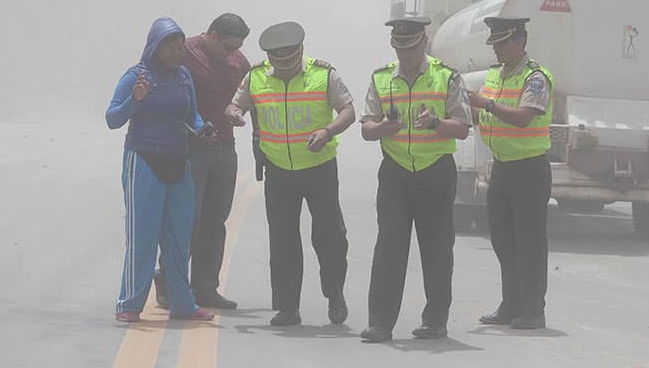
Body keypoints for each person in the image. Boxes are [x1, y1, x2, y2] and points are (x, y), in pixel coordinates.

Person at [226, 21, 355, 326]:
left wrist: (328, 131)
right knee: (283, 240)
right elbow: (235, 105)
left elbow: (348, 111)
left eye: (289, 61)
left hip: (319, 167)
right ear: (270, 58)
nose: (283, 67)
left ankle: (334, 292)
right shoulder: (255, 76)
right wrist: (234, 114)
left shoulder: (324, 75)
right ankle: (287, 307)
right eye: (277, 62)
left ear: (300, 52)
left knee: (330, 236)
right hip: (279, 171)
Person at [359, 17, 472, 343]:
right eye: (399, 47)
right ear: (392, 45)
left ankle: (435, 321)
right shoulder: (381, 79)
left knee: (437, 249)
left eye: (411, 47)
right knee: (389, 248)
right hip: (395, 173)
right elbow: (367, 128)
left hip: (435, 172)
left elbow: (463, 128)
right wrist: (384, 129)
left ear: (424, 42)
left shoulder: (447, 77)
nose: (405, 54)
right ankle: (380, 323)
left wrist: (436, 122)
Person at [106, 17, 215, 323]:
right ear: (155, 46)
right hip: (143, 159)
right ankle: (129, 303)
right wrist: (134, 100)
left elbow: (191, 115)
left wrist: (201, 129)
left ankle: (183, 303)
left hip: (179, 161)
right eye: (171, 46)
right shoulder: (135, 76)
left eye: (181, 47)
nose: (179, 53)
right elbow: (112, 119)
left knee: (179, 237)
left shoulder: (183, 77)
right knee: (143, 235)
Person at [154, 13, 250, 310]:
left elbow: (250, 96)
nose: (232, 53)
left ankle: (206, 287)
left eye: (237, 47)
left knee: (215, 220)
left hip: (225, 147)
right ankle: (169, 283)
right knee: (186, 220)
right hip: (189, 149)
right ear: (211, 34)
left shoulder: (240, 62)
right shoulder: (186, 54)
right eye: (228, 46)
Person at [469, 17, 554, 330]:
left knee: (529, 243)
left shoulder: (536, 78)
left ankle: (533, 310)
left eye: (502, 43)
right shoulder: (495, 74)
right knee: (503, 240)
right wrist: (464, 107)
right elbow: (481, 116)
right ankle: (510, 305)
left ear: (520, 41)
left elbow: (523, 118)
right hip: (502, 166)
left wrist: (485, 104)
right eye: (494, 43)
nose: (497, 49)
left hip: (529, 169)